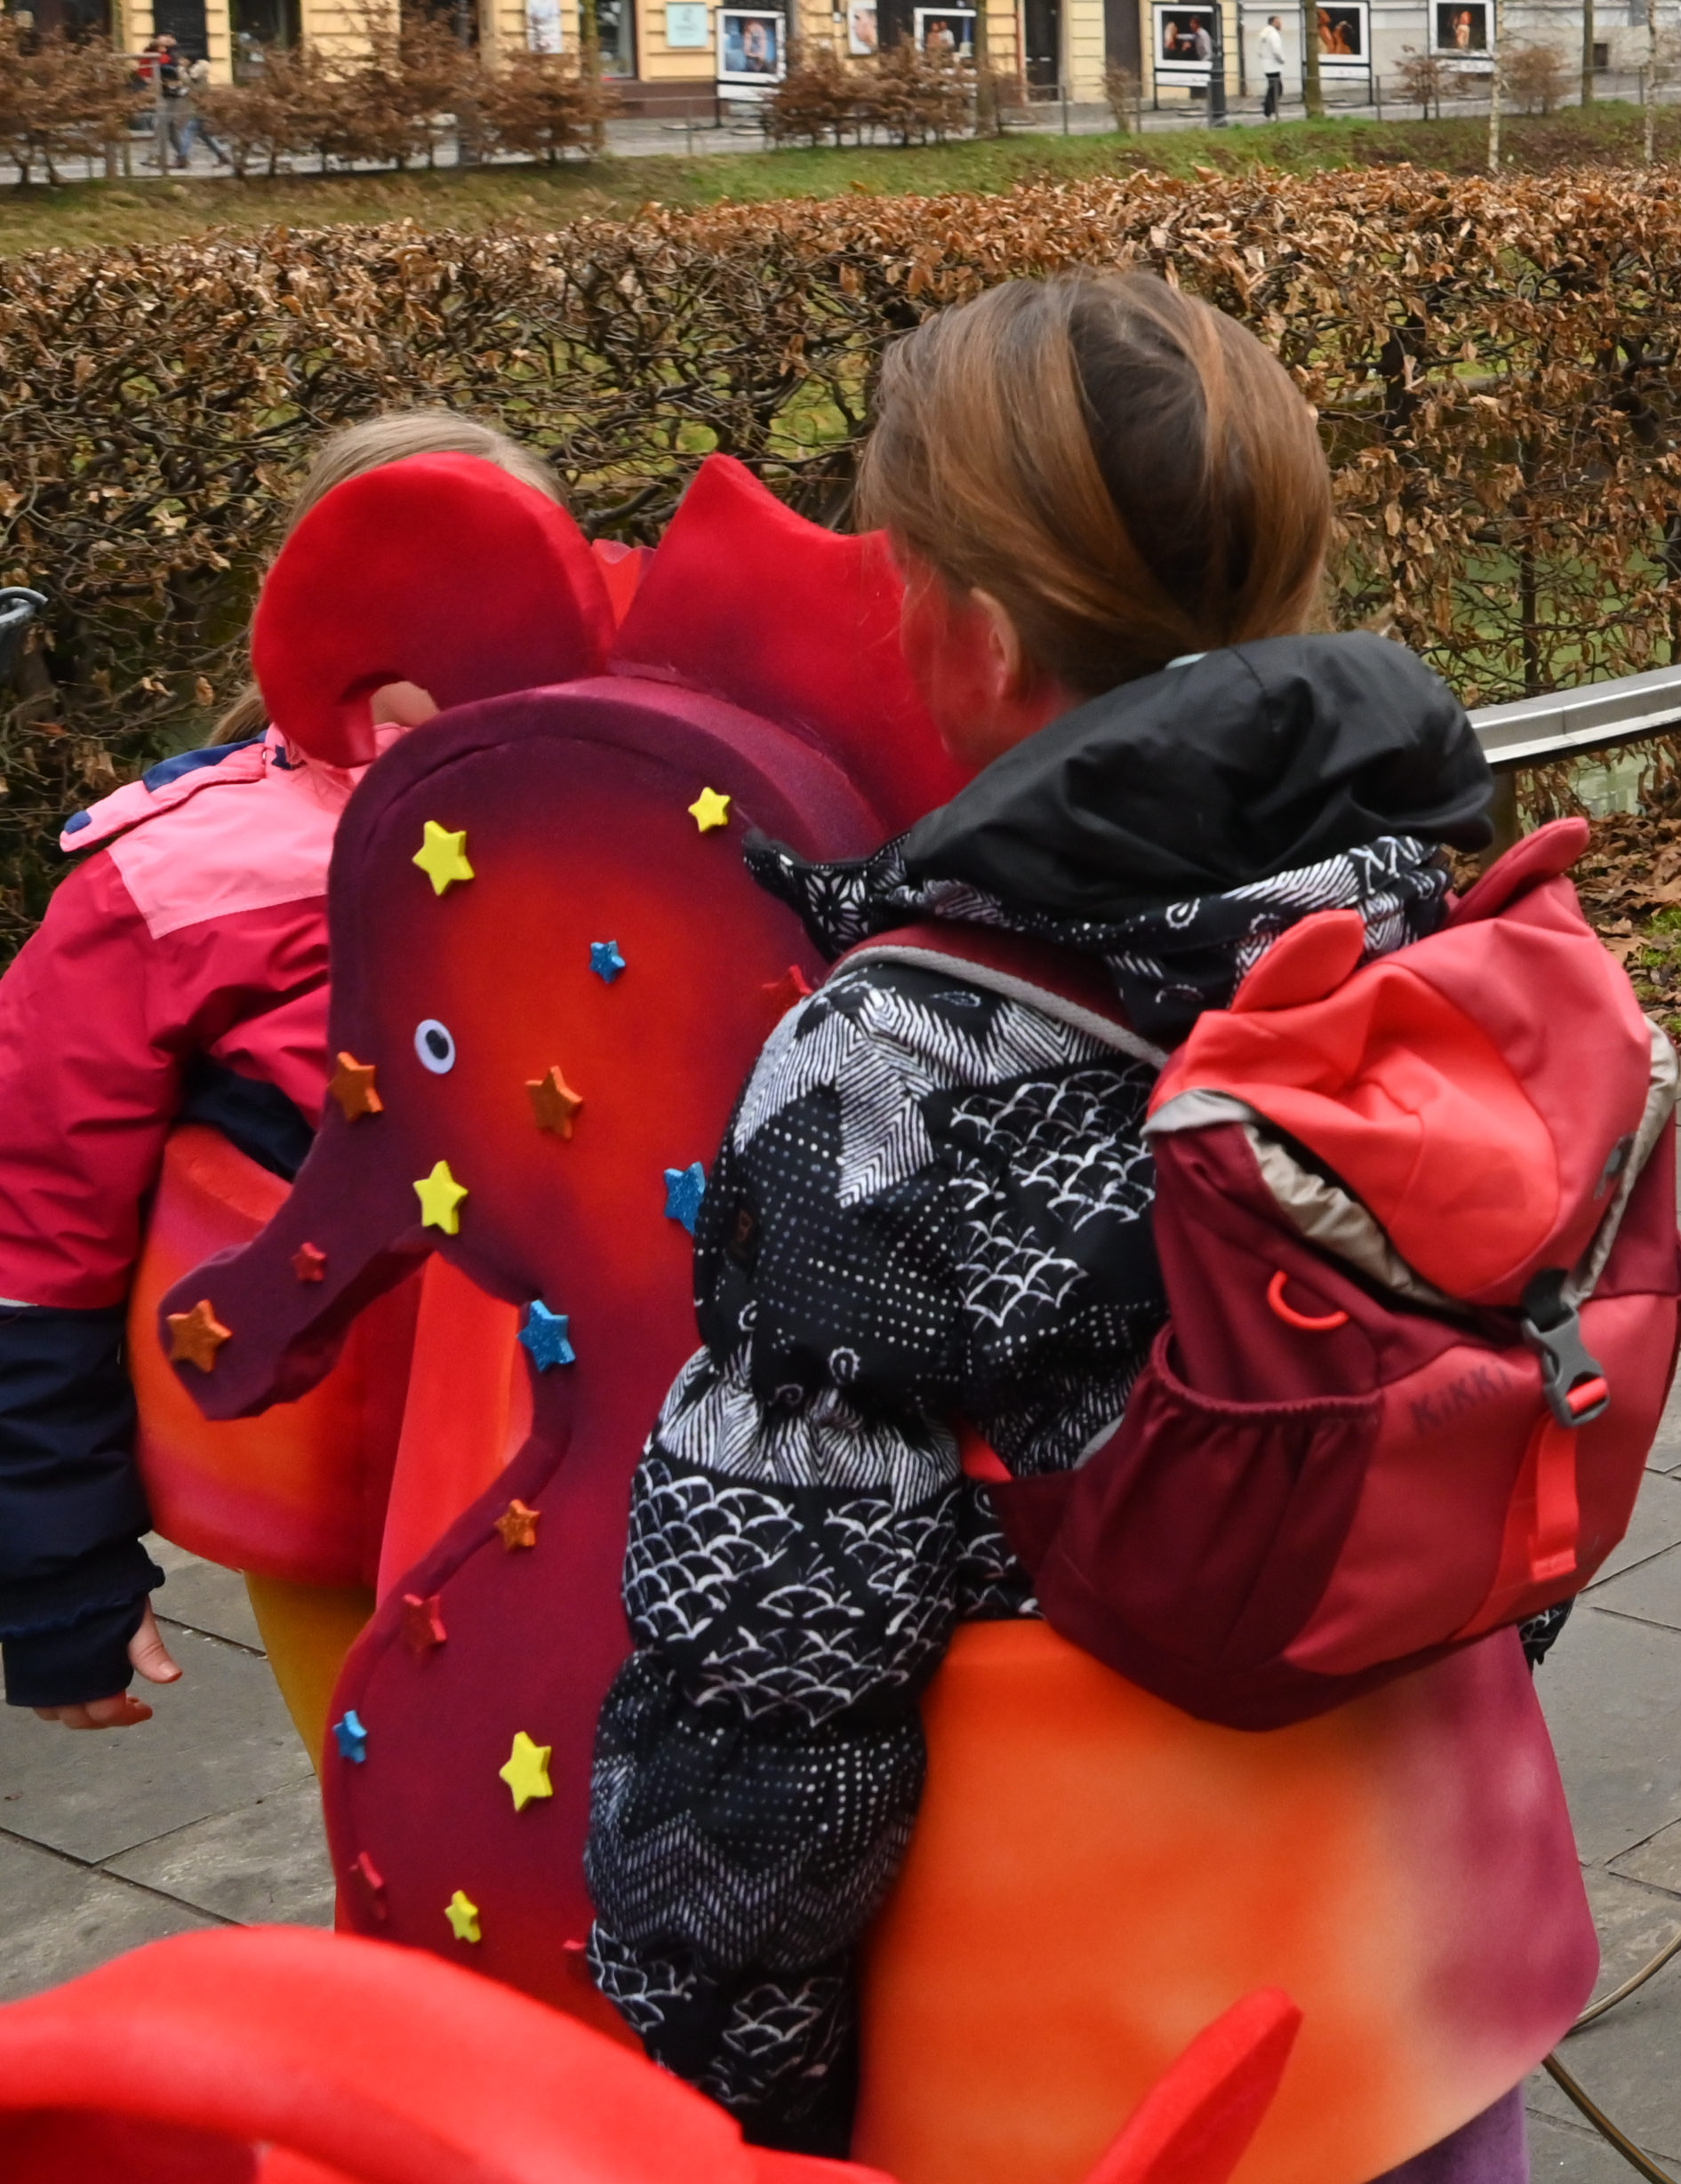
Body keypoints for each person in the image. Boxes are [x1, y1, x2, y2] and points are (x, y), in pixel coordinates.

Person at [582, 273, 1565, 2170]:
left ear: (975, 630)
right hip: (1421, 1965)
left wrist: (721, 2075)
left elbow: (773, 1661)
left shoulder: (887, 1063)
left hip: (1080, 2044)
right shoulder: (1431, 926)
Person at [0, 413, 586, 1744]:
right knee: (408, 1809)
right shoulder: (172, 886)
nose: (473, 639)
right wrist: (58, 1576)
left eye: (518, 585)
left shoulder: (651, 811)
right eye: (417, 592)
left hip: (636, 1467)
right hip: (347, 1485)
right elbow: (31, 1242)